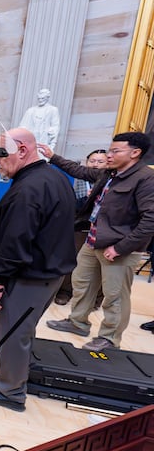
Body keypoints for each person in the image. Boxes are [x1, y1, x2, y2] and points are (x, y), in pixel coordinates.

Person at [0, 128, 76, 412]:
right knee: (23, 331)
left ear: (22, 150)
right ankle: (11, 376)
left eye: (1, 154)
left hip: (29, 277)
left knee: (12, 333)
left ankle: (11, 392)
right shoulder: (51, 177)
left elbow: (15, 245)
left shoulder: (28, 189)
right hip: (49, 274)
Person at [43, 132, 154, 351]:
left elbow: (150, 219)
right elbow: (80, 171)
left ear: (135, 153)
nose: (109, 155)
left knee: (115, 295)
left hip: (119, 248)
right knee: (81, 282)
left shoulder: (145, 179)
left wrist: (121, 247)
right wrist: (53, 156)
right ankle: (77, 322)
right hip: (93, 241)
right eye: (109, 150)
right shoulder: (110, 173)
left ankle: (110, 338)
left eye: (115, 151)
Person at [53, 149, 108, 306]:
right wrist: (87, 198)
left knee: (100, 267)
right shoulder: (77, 180)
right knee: (71, 259)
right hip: (80, 226)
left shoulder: (110, 180)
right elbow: (70, 205)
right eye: (92, 161)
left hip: (103, 230)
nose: (95, 165)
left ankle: (96, 300)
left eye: (100, 161)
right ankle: (65, 291)